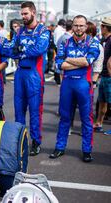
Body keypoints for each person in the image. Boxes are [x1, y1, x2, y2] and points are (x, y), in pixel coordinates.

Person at [50, 15, 100, 162]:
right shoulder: (64, 42)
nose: (78, 28)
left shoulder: (93, 42)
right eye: (76, 25)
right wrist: (77, 62)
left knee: (86, 119)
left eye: (81, 25)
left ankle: (87, 151)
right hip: (67, 85)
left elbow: (87, 61)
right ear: (72, 26)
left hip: (84, 85)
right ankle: (59, 147)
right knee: (64, 117)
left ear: (86, 26)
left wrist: (68, 59)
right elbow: (59, 64)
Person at [6, 1, 50, 156]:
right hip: (20, 74)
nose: (23, 17)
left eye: (25, 13)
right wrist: (20, 50)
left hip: (34, 75)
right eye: (22, 14)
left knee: (35, 111)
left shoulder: (43, 30)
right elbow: (11, 51)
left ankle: (36, 141)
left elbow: (39, 49)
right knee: (19, 111)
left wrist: (21, 50)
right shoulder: (19, 32)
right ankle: (20, 141)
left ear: (33, 12)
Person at [94, 17, 111, 134]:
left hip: (109, 76)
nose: (101, 28)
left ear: (105, 27)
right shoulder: (105, 40)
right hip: (104, 75)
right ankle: (99, 123)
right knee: (102, 101)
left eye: (102, 26)